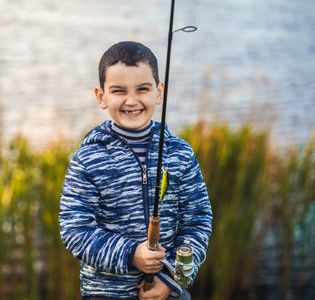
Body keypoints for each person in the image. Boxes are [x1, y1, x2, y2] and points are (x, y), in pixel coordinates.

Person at [59, 41, 212, 300]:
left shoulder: (180, 153)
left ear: (159, 92)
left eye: (143, 89)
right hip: (105, 294)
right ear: (101, 97)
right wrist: (132, 255)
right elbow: (75, 230)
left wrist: (172, 277)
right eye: (119, 91)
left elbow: (198, 221)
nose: (132, 101)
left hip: (168, 292)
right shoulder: (87, 158)